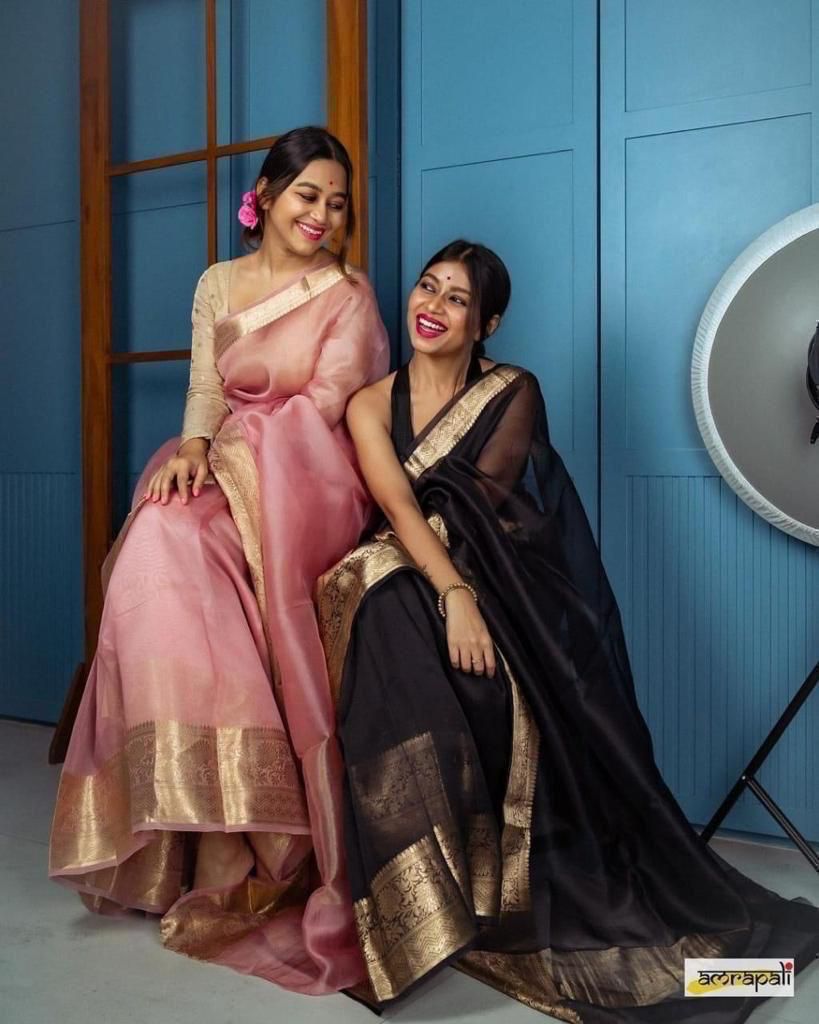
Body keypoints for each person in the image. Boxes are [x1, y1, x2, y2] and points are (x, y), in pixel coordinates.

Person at [316, 239, 819, 1021]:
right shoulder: (370, 404)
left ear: (486, 323)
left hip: (501, 581)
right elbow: (399, 506)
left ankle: (731, 971)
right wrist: (450, 595)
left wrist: (469, 596)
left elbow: (486, 512)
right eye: (427, 286)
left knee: (513, 691)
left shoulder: (511, 389)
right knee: (381, 607)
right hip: (417, 577)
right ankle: (423, 908)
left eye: (456, 298)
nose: (433, 307)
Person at [49, 126, 389, 994]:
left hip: (304, 480)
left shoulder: (347, 295)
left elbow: (327, 406)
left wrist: (236, 458)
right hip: (229, 457)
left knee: (183, 545)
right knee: (154, 544)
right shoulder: (217, 282)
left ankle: (257, 839)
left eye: (336, 203)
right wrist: (197, 444)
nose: (322, 215)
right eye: (307, 194)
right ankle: (207, 826)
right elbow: (207, 384)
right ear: (265, 195)